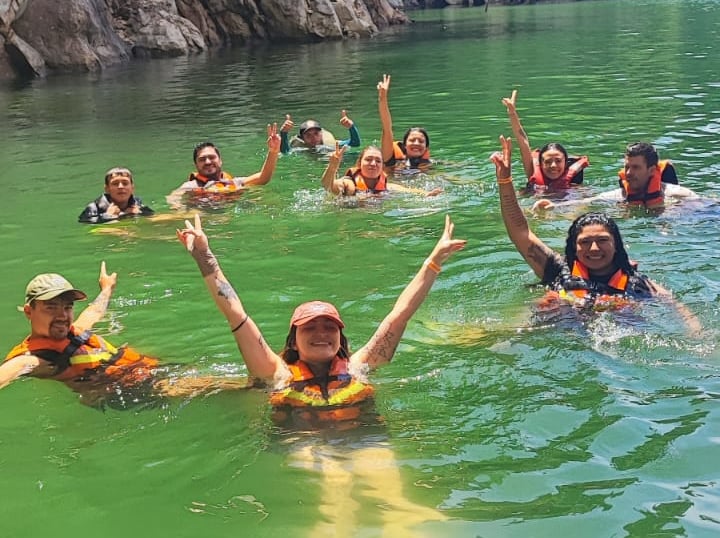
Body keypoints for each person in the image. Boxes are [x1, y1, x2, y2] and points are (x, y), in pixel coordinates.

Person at [177, 213, 466, 426]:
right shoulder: (276, 373)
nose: (321, 333)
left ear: (340, 337)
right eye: (310, 327)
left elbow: (400, 314)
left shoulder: (358, 366)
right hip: (302, 446)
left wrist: (434, 261)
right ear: (294, 340)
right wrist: (205, 257)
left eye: (330, 327)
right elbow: (235, 313)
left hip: (364, 441)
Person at [491, 135, 701, 332]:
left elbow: (674, 304)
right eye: (585, 242)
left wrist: (695, 330)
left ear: (616, 245)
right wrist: (505, 181)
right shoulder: (558, 270)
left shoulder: (635, 283)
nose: (593, 248)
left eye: (602, 240)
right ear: (574, 247)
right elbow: (520, 232)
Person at [1, 264, 250, 408]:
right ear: (29, 312)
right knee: (229, 385)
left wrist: (106, 288)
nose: (62, 315)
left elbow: (94, 311)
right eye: (51, 307)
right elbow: (11, 371)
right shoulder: (34, 359)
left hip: (145, 372)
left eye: (67, 307)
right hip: (127, 390)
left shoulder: (73, 331)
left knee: (218, 381)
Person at [533, 141, 697, 211]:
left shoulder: (679, 195)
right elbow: (588, 202)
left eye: (636, 168)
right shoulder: (619, 196)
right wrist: (554, 206)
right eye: (627, 167)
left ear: (652, 170)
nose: (629, 173)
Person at [166, 123, 281, 208]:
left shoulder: (236, 182)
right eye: (202, 159)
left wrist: (273, 151)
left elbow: (263, 178)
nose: (207, 162)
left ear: (220, 161)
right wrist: (179, 208)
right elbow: (173, 197)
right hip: (203, 216)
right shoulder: (191, 186)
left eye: (211, 157)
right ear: (196, 165)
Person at [502, 89, 589, 192]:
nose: (553, 165)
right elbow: (522, 140)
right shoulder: (532, 171)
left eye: (558, 161)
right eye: (547, 161)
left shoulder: (576, 189)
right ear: (540, 164)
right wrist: (512, 114)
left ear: (565, 163)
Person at [320, 143, 443, 198]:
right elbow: (328, 186)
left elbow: (411, 191)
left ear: (382, 167)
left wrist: (427, 194)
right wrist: (332, 167)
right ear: (359, 164)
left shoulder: (387, 187)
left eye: (378, 161)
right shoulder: (349, 185)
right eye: (368, 159)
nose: (373, 164)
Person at [377, 74, 432, 171]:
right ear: (405, 145)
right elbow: (387, 128)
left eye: (421, 141)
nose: (416, 143)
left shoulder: (429, 164)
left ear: (426, 148)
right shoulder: (390, 158)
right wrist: (383, 98)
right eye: (412, 140)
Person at [78, 167, 155, 224]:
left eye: (125, 183)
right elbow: (86, 225)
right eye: (115, 184)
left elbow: (153, 216)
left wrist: (139, 213)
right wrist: (108, 216)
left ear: (132, 188)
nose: (120, 187)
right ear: (107, 189)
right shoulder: (94, 208)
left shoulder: (136, 202)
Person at [279, 110, 361, 154]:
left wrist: (351, 127)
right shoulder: (301, 148)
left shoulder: (330, 144)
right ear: (302, 139)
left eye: (316, 133)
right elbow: (285, 152)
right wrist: (284, 133)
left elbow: (355, 143)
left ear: (321, 133)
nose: (313, 137)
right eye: (308, 135)